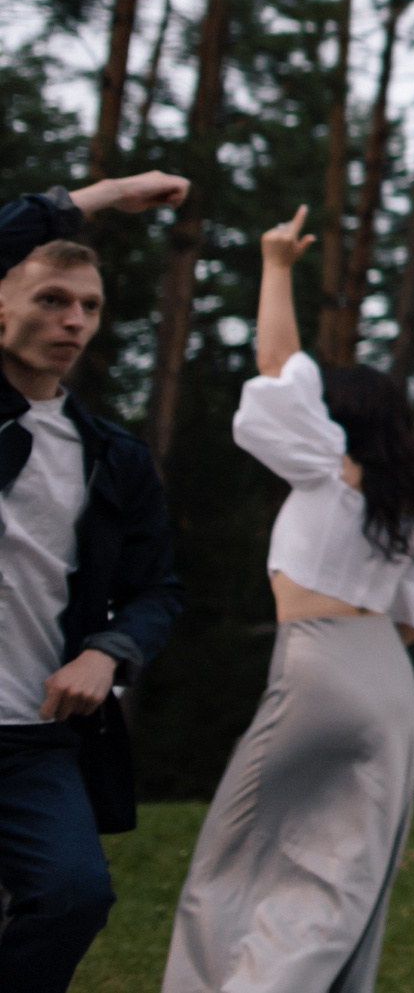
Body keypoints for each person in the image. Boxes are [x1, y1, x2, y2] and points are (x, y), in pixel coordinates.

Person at [164, 206, 414, 993]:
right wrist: (371, 651)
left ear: (335, 420)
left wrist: (275, 264)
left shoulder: (323, 470)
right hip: (384, 675)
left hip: (319, 661)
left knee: (244, 846)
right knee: (346, 863)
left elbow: (278, 368)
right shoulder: (405, 511)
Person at [0, 175, 187, 993]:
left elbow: (159, 588)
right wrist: (108, 194)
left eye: (88, 305)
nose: (72, 320)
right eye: (49, 299)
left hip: (32, 735)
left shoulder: (112, 455)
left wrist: (110, 651)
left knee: (75, 894)